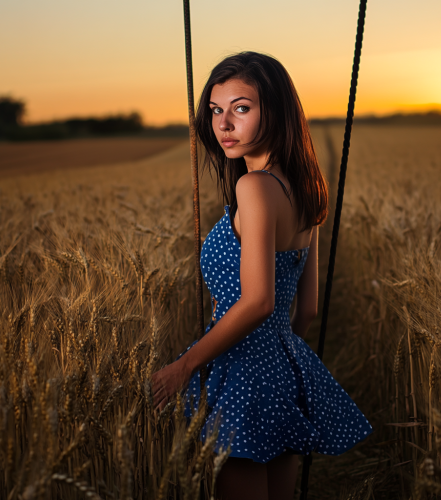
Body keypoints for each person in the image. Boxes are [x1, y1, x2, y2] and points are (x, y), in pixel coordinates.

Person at [151, 51, 373, 500]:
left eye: (241, 108)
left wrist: (185, 366)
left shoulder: (253, 188)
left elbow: (257, 302)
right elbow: (305, 308)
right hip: (281, 369)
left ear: (275, 111)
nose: (224, 124)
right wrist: (276, 360)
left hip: (242, 377)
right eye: (216, 110)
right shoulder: (305, 187)